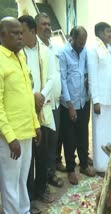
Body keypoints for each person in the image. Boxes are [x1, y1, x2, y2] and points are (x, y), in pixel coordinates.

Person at [0, 17, 41, 214]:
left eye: (20, 33)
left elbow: (27, 94)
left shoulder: (21, 57)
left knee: (23, 179)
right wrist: (10, 137)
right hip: (11, 137)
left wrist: (36, 124)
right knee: (10, 183)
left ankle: (23, 211)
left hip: (27, 131)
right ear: (3, 35)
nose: (19, 37)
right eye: (14, 33)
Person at [19, 15, 58, 209]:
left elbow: (52, 77)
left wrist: (40, 96)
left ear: (32, 32)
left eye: (22, 31)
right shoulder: (18, 53)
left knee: (42, 155)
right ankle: (29, 197)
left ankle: (41, 189)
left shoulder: (46, 51)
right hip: (26, 110)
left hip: (43, 108)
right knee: (28, 160)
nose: (19, 35)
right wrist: (32, 96)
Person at [60, 26, 95, 185]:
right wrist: (70, 105)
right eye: (80, 42)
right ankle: (70, 169)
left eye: (84, 42)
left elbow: (87, 70)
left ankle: (84, 165)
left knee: (83, 134)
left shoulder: (85, 50)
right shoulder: (63, 53)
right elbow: (62, 81)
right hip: (70, 104)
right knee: (70, 138)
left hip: (83, 101)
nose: (82, 45)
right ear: (72, 38)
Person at [35, 13, 67, 178]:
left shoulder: (56, 47)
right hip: (43, 104)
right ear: (36, 27)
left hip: (56, 103)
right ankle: (44, 179)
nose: (47, 27)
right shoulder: (36, 47)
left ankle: (51, 173)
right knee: (43, 145)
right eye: (43, 24)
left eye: (49, 24)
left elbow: (58, 75)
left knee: (54, 142)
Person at [87, 22, 111, 177]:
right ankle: (100, 166)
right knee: (100, 133)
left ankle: (110, 164)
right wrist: (96, 100)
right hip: (101, 99)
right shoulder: (93, 49)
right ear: (99, 32)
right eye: (107, 31)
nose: (110, 34)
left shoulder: (110, 49)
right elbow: (92, 77)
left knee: (110, 132)